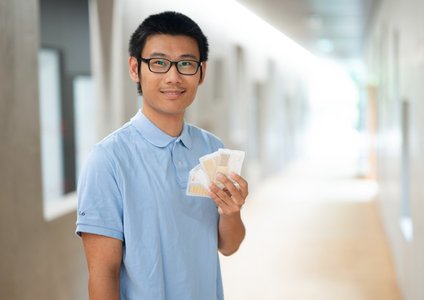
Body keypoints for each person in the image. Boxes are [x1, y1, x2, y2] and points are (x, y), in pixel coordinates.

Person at [76, 11, 248, 300]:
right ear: (135, 69)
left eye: (186, 64)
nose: (173, 77)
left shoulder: (212, 148)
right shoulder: (109, 159)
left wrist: (232, 212)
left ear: (201, 72)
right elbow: (103, 273)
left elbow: (228, 246)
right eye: (158, 63)